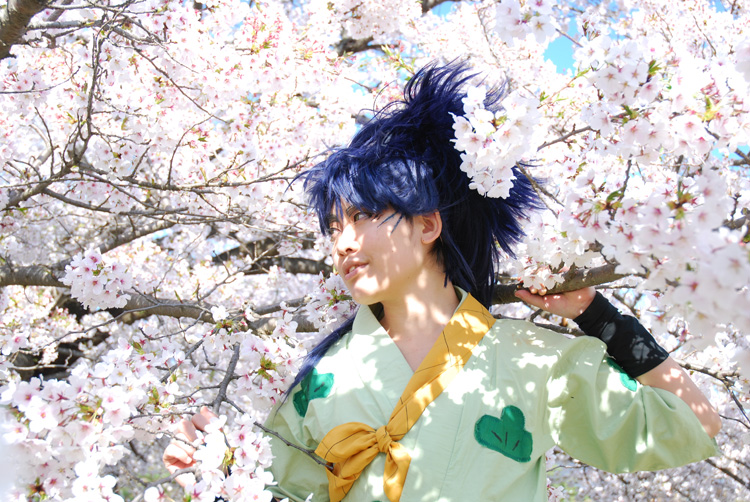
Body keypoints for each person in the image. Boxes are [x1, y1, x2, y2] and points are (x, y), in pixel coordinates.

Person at [163, 62, 721, 501]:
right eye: (333, 227)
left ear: (428, 224)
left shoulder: (533, 358)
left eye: (362, 216)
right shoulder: (322, 378)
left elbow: (694, 423)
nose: (342, 242)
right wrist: (215, 471)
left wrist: (598, 316)